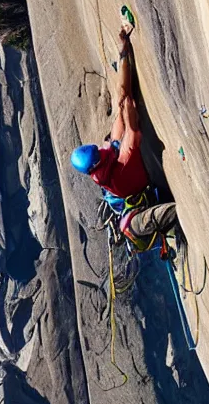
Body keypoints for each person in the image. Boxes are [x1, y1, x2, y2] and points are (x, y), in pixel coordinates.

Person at [70, 24, 176, 250]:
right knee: (125, 104)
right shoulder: (121, 165)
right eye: (99, 150)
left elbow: (121, 115)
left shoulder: (101, 164)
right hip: (136, 183)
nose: (102, 146)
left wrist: (123, 49)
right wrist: (128, 115)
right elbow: (134, 134)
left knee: (122, 102)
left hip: (122, 171)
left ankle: (123, 52)